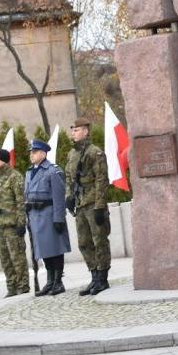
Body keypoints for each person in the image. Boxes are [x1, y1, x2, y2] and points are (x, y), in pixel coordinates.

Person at [65, 118, 112, 296]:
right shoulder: (71, 154)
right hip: (80, 204)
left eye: (76, 130)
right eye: (72, 130)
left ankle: (102, 278)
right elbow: (69, 179)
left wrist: (100, 206)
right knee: (84, 242)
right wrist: (68, 197)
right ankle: (93, 275)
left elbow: (101, 180)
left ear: (85, 131)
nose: (73, 133)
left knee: (99, 240)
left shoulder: (95, 153)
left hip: (93, 203)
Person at [25, 139, 70, 296]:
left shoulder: (52, 170)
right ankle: (50, 281)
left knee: (55, 248)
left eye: (35, 152)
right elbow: (27, 196)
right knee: (44, 250)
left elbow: (59, 196)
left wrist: (59, 218)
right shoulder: (30, 172)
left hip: (49, 214)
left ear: (43, 153)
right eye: (31, 152)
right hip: (35, 216)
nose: (32, 155)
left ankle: (58, 281)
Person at [0, 149, 29, 297]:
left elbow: (21, 202)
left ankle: (23, 285)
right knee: (5, 259)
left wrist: (21, 222)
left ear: (4, 161)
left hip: (12, 225)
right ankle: (11, 286)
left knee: (17, 257)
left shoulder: (15, 177)